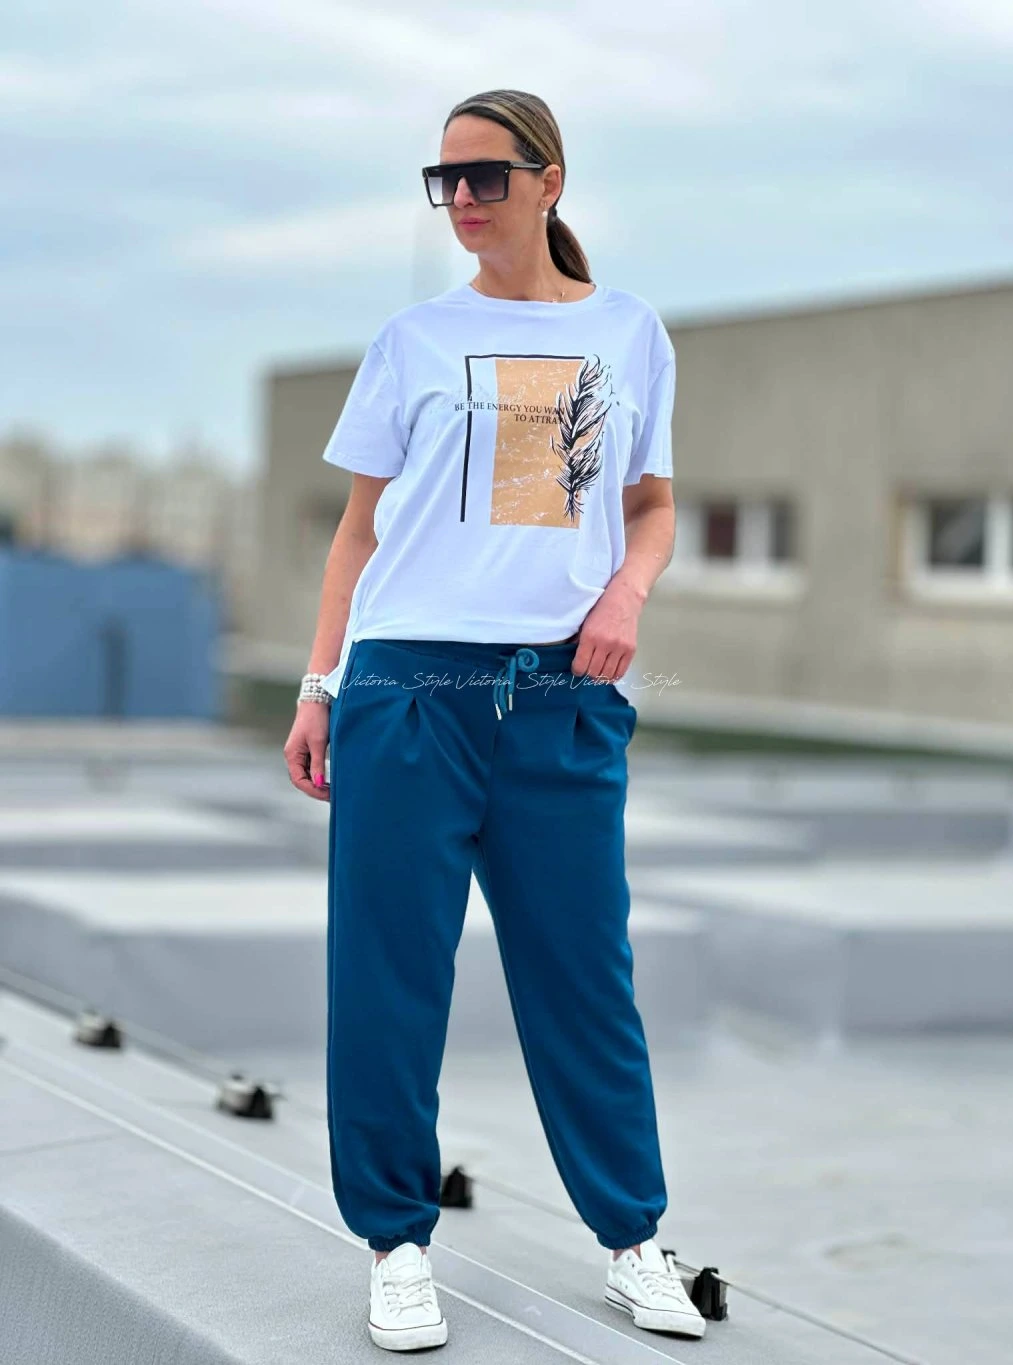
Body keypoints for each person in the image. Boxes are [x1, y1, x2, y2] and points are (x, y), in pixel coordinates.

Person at [283, 87, 705, 1352]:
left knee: (585, 979)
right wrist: (318, 685)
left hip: (562, 697)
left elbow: (650, 507)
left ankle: (632, 1238)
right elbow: (358, 534)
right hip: (406, 689)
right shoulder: (412, 340)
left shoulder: (628, 334)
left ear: (549, 180)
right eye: (445, 180)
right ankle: (396, 1245)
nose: (462, 200)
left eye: (486, 177)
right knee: (386, 979)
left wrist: (625, 595)